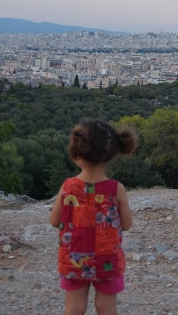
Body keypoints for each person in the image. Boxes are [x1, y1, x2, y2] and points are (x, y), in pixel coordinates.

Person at [50, 119, 137, 315]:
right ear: (109, 156)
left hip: (74, 259)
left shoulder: (68, 186)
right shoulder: (116, 189)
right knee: (106, 308)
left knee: (75, 306)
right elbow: (127, 224)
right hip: (107, 259)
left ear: (77, 154)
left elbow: (55, 221)